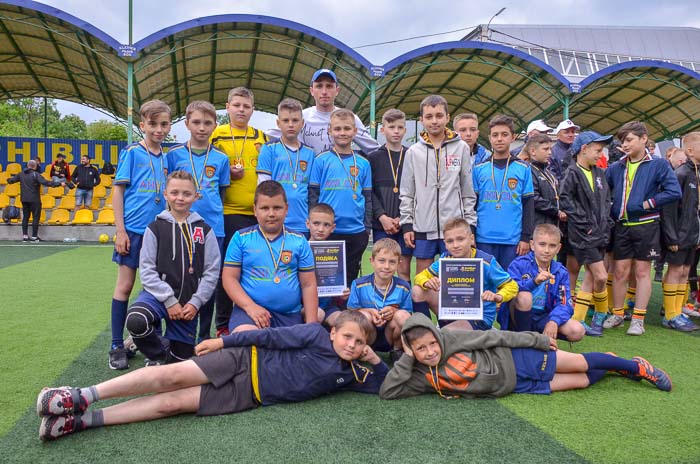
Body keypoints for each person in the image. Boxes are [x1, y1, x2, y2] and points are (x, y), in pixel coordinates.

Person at [37, 311, 387, 441]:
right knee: (170, 377)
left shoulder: (355, 372)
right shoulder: (313, 333)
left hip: (248, 397)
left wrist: (375, 360)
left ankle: (82, 422)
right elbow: (267, 337)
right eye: (348, 337)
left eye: (360, 343)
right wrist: (223, 340)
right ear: (333, 333)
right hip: (240, 361)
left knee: (170, 404)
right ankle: (81, 395)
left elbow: (385, 387)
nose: (352, 345)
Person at [378, 313, 672, 400]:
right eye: (421, 349)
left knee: (580, 362)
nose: (430, 352)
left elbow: (496, 336)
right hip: (512, 385)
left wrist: (538, 340)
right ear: (412, 351)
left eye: (431, 344)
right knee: (582, 381)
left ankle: (637, 367)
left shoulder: (450, 338)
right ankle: (609, 364)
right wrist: (405, 357)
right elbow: (388, 391)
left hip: (515, 358)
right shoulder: (418, 375)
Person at [125, 171, 221, 365]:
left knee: (180, 364)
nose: (180, 198)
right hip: (158, 297)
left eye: (186, 193)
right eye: (175, 192)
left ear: (196, 196)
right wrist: (168, 300)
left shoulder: (205, 230)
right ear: (166, 194)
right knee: (136, 320)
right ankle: (159, 354)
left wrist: (196, 302)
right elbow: (146, 270)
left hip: (187, 305)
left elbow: (212, 272)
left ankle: (168, 360)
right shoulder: (154, 228)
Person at [110, 99, 172, 370]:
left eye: (164, 124)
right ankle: (115, 346)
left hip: (158, 235)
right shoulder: (133, 152)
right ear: (142, 125)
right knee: (124, 286)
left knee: (156, 290)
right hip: (133, 232)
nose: (159, 130)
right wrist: (120, 230)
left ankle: (149, 343)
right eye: (153, 124)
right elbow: (118, 190)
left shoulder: (167, 157)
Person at [605, 121, 681, 335]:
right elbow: (602, 191)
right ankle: (618, 314)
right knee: (619, 271)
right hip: (621, 226)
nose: (625, 145)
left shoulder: (658, 164)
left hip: (647, 226)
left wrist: (648, 204)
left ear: (644, 139)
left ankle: (638, 319)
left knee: (641, 271)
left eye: (629, 140)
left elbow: (674, 191)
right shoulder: (616, 167)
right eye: (623, 141)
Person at [166, 101, 231, 342]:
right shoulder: (173, 155)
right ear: (187, 124)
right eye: (196, 122)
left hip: (213, 228)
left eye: (207, 123)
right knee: (183, 278)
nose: (202, 128)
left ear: (215, 125)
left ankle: (204, 334)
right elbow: (170, 193)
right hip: (182, 226)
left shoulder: (221, 158)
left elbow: (221, 192)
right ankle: (180, 333)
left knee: (210, 280)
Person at [210, 87, 268, 336]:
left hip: (257, 215)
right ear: (228, 107)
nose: (241, 110)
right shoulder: (216, 135)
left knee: (256, 269)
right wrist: (227, 173)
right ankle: (222, 324)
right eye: (237, 105)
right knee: (228, 270)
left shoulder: (262, 138)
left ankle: (258, 317)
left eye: (246, 106)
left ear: (252, 109)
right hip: (228, 213)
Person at [223, 181, 318, 333]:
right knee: (247, 337)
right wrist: (250, 307)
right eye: (265, 208)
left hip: (289, 314)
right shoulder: (240, 238)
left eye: (277, 208)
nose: (271, 214)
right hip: (249, 313)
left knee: (294, 349)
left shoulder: (299, 241)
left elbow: (308, 285)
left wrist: (312, 326)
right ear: (255, 210)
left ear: (286, 209)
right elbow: (229, 279)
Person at [399, 95, 476, 275]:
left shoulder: (461, 148)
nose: (434, 121)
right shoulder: (413, 152)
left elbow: (467, 190)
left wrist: (470, 226)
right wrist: (407, 224)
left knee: (455, 281)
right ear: (421, 120)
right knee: (423, 281)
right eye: (429, 116)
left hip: (454, 228)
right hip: (423, 226)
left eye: (439, 116)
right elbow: (407, 193)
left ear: (448, 118)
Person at [411, 217, 518, 330]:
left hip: (479, 318)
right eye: (450, 241)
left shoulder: (486, 261)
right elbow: (419, 277)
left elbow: (512, 286)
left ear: (471, 239)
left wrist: (498, 296)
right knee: (417, 291)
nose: (455, 245)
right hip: (451, 312)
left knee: (448, 333)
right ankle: (424, 332)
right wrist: (427, 282)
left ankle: (442, 334)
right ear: (445, 244)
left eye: (460, 239)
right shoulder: (445, 259)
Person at [559, 131, 614, 336]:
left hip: (598, 232)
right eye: (598, 150)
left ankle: (580, 317)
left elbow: (606, 201)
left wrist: (606, 223)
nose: (600, 155)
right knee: (599, 275)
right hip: (584, 234)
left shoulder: (599, 173)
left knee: (589, 275)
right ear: (583, 149)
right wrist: (585, 224)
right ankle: (591, 316)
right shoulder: (572, 172)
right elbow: (565, 200)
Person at [309, 108, 372, 282]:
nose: (342, 133)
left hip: (356, 231)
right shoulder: (321, 160)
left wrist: (366, 229)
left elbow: (368, 198)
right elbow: (313, 196)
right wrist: (315, 226)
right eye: (337, 129)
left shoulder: (363, 163)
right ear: (330, 131)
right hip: (328, 230)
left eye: (346, 128)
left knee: (350, 278)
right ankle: (326, 310)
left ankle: (347, 310)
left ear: (355, 131)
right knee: (325, 278)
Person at [268, 69, 379, 155]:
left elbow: (373, 149)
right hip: (307, 180)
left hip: (337, 180)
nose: (324, 92)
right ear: (311, 90)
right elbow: (269, 136)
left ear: (337, 91)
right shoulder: (301, 117)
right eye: (319, 86)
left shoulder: (350, 118)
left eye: (329, 86)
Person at [473, 114, 534, 269]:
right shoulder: (479, 169)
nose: (499, 139)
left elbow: (528, 205)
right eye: (495, 135)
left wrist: (525, 238)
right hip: (484, 237)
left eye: (504, 134)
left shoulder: (523, 168)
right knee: (485, 284)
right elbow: (472, 205)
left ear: (513, 137)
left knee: (510, 284)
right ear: (489, 138)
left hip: (512, 239)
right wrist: (471, 233)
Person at [506, 224, 585, 341]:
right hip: (516, 317)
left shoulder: (560, 272)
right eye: (542, 244)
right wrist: (534, 282)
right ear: (532, 245)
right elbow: (511, 290)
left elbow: (564, 303)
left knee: (577, 330)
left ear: (558, 248)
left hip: (543, 317)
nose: (547, 250)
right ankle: (524, 341)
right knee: (525, 296)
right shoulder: (518, 264)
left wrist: (554, 321)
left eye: (552, 246)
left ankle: (542, 338)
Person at [660, 131, 700, 331]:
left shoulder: (695, 173)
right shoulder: (681, 174)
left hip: (692, 234)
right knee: (675, 270)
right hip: (679, 234)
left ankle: (678, 311)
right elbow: (668, 208)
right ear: (690, 150)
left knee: (685, 271)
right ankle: (670, 315)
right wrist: (671, 236)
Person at [257, 98, 315, 235]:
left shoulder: (310, 153)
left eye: (295, 121)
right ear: (278, 123)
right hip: (276, 222)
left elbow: (313, 191)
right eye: (285, 120)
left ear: (302, 123)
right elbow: (263, 187)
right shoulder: (268, 149)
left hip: (302, 222)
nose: (290, 125)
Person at [347, 238, 412, 359]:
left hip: (391, 334)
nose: (386, 266)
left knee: (402, 315)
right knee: (363, 317)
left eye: (392, 262)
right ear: (372, 261)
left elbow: (408, 315)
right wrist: (369, 312)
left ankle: (397, 350)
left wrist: (394, 311)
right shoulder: (359, 284)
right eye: (382, 261)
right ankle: (362, 348)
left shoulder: (404, 287)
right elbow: (351, 313)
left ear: (399, 263)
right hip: (369, 333)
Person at [368, 109, 412, 282]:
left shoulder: (412, 155)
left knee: (403, 268)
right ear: (382, 129)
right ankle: (383, 306)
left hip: (405, 222)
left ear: (405, 130)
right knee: (383, 269)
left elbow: (417, 191)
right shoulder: (373, 158)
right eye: (391, 127)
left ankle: (407, 307)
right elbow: (369, 191)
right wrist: (382, 217)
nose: (396, 131)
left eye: (400, 127)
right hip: (381, 224)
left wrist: (403, 218)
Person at [306, 203, 350, 324]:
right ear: (307, 224)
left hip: (329, 306)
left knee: (342, 320)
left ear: (333, 227)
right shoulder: (300, 249)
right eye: (316, 223)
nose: (321, 229)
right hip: (304, 305)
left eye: (326, 225)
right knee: (318, 314)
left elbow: (337, 282)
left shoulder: (336, 252)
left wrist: (342, 294)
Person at [7, 159, 63, 241]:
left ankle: (25, 236)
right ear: (35, 166)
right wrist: (59, 184)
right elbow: (46, 183)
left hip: (24, 199)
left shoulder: (21, 174)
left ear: (27, 165)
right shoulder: (35, 174)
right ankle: (34, 236)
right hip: (34, 199)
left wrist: (8, 179)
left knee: (25, 217)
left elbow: (11, 181)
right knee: (35, 217)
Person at [525, 134, 563, 227]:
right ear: (533, 151)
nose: (550, 153)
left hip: (554, 224)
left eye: (550, 149)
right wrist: (556, 211)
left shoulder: (549, 173)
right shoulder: (528, 171)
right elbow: (534, 198)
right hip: (537, 226)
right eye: (545, 149)